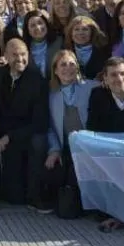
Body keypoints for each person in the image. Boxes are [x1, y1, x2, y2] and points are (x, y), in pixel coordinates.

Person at [0, 39, 49, 210]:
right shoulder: (0, 74)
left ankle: (35, 195)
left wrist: (9, 137)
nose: (20, 59)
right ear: (6, 56)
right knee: (13, 197)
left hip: (28, 133)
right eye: (14, 55)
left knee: (37, 143)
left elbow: (40, 122)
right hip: (4, 131)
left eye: (23, 54)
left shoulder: (37, 81)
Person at [42, 49, 93, 217]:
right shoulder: (50, 95)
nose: (68, 68)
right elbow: (49, 127)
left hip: (89, 148)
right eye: (63, 64)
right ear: (55, 70)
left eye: (72, 64)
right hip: (66, 148)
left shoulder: (92, 87)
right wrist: (54, 150)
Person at [86, 57, 124, 133]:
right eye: (113, 75)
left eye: (123, 73)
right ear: (105, 78)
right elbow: (92, 129)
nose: (119, 79)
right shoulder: (98, 96)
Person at [20, 11, 62, 79]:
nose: (38, 27)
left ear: (46, 24)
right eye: (32, 25)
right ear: (27, 30)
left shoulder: (59, 42)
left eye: (40, 23)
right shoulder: (22, 47)